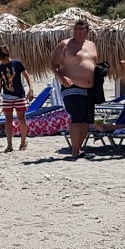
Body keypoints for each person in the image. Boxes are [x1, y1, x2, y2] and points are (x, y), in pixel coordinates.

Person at [50, 18, 99, 157]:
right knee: (77, 118)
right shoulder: (65, 45)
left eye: (81, 29)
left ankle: (78, 149)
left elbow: (94, 64)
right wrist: (62, 78)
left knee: (86, 121)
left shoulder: (92, 45)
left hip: (90, 88)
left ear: (87, 30)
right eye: (75, 29)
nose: (77, 31)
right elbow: (53, 65)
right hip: (71, 86)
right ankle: (74, 151)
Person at [0, 46, 33, 152]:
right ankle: (9, 144)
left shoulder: (17, 64)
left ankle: (23, 141)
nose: (4, 61)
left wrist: (31, 89)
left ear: (8, 56)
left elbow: (27, 76)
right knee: (8, 120)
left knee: (21, 118)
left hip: (19, 95)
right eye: (2, 60)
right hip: (7, 96)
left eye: (5, 59)